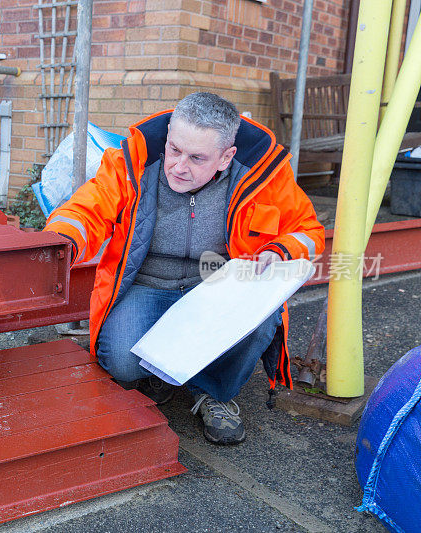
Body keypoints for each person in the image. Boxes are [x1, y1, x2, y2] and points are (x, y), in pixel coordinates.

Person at [43, 92, 325, 445]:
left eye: (196, 158)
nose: (179, 166)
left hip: (216, 288)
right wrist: (61, 240)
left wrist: (281, 250)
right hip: (146, 285)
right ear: (168, 137)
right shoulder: (132, 162)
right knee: (120, 362)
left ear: (226, 157)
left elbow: (309, 231)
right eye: (174, 150)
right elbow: (87, 209)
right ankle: (161, 373)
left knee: (262, 319)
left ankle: (214, 392)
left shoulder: (265, 176)